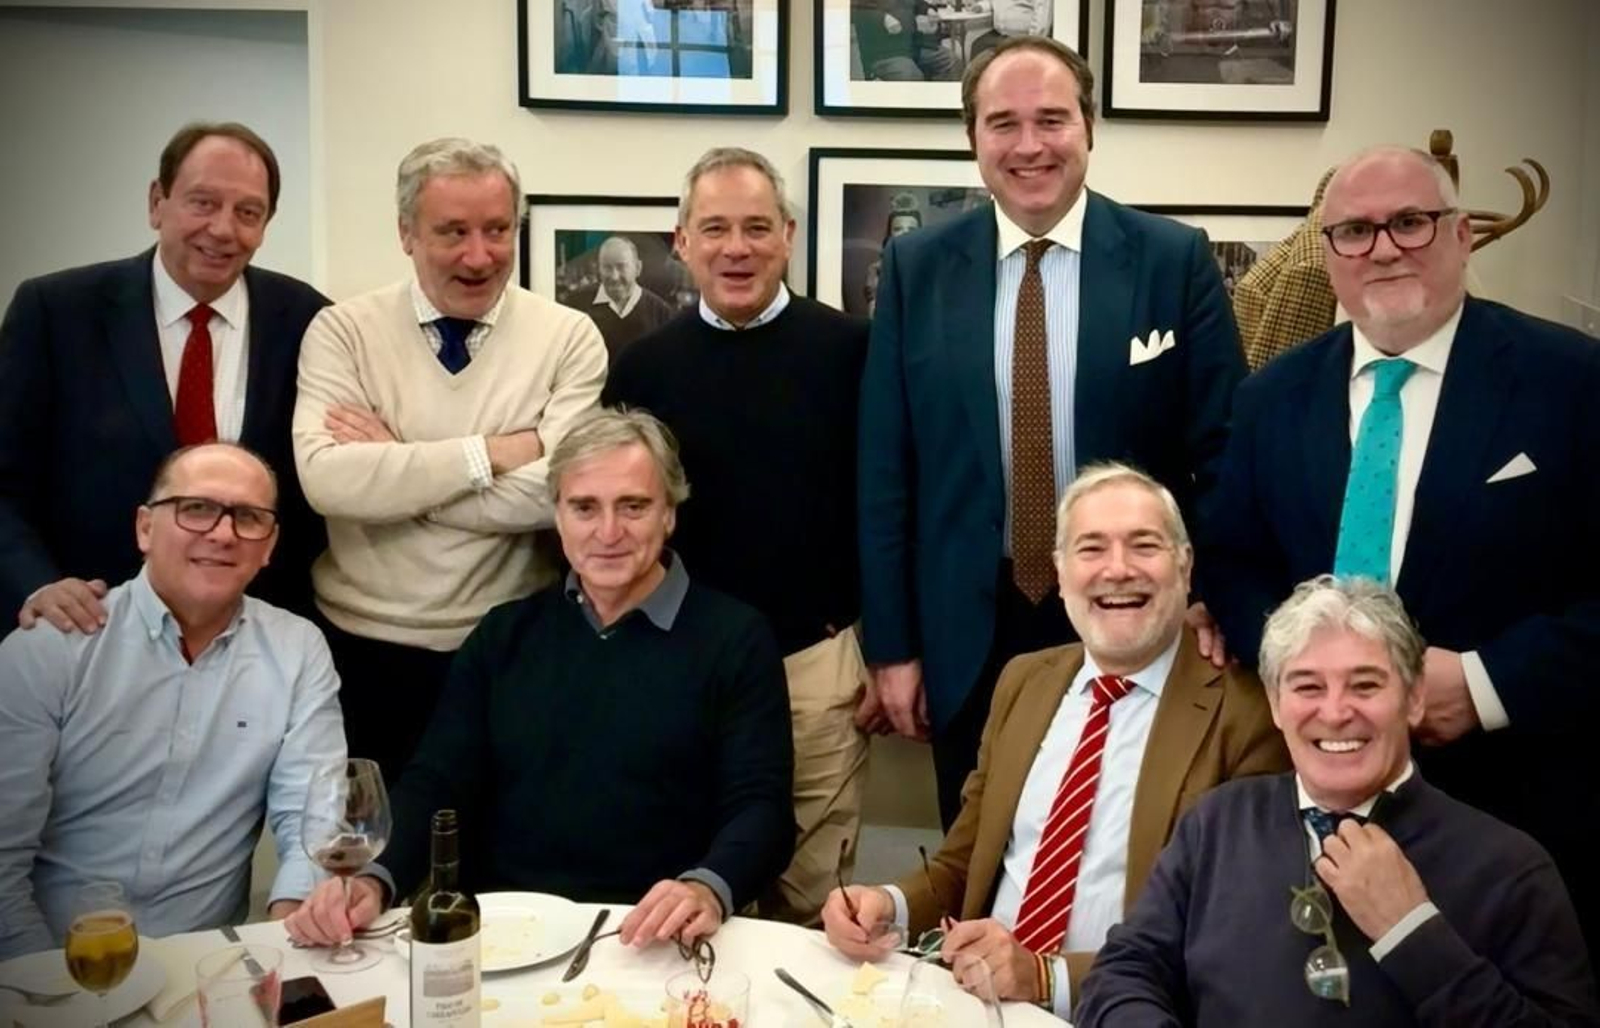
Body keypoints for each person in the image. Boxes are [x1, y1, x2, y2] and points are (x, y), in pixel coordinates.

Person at [1200, 144, 1600, 964]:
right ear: (1328, 255)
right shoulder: (1271, 396)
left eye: (1410, 222)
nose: (1382, 249)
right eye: (1354, 231)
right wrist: (1296, 666)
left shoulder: (1572, 380)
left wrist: (1486, 684)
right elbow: (1231, 560)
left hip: (1514, 796)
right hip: (1314, 788)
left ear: (1461, 234)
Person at [858, 34, 1245, 827]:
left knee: (1133, 842)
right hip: (970, 625)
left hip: (1133, 610)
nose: (1029, 145)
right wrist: (893, 646)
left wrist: (1214, 596)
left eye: (1052, 120)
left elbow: (1226, 454)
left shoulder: (1172, 260)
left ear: (1089, 127)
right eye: (1003, 123)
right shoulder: (916, 269)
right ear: (973, 137)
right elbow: (885, 470)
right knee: (978, 849)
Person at [283, 409, 794, 950]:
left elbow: (761, 808)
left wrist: (706, 887)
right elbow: (437, 782)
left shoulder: (735, 639)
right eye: (584, 507)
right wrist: (374, 879)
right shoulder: (504, 635)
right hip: (506, 933)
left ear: (669, 514)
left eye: (634, 506)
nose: (608, 532)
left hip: (655, 934)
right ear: (557, 515)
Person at [821, 464, 1286, 1018]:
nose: (1118, 569)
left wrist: (1044, 976)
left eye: (1144, 545)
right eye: (1092, 548)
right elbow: (964, 864)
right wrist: (887, 903)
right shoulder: (1024, 682)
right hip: (978, 1001)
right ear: (1061, 574)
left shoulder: (1249, 716)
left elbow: (1226, 941)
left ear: (1185, 568)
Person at [1075, 576, 1599, 1027]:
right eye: (1307, 687)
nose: (1335, 712)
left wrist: (1412, 931)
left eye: (1364, 686)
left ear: (1414, 698)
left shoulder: (1510, 868)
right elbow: (1123, 973)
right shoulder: (1217, 823)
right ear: (1275, 703)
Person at [603, 148, 870, 926]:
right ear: (681, 242)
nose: (737, 248)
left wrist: (887, 647)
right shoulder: (642, 369)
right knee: (696, 894)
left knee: (813, 902)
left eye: (756, 227)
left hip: (814, 663)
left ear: (788, 235)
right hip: (683, 668)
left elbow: (892, 505)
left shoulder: (853, 352)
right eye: (715, 228)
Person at [291, 137, 606, 784]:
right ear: (406, 232)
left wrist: (394, 469)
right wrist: (494, 452)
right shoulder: (342, 332)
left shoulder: (569, 338)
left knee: (506, 841)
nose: (479, 255)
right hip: (362, 654)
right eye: (453, 231)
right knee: (376, 838)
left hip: (513, 647)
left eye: (497, 230)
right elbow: (327, 481)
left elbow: (559, 496)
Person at [0, 443, 345, 959]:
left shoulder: (297, 650)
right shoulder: (54, 646)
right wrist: (44, 983)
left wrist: (293, 932)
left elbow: (312, 817)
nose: (223, 533)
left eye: (248, 517)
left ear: (269, 545)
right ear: (145, 528)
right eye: (197, 508)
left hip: (209, 965)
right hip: (53, 962)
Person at [0, 122, 329, 636]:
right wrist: (37, 585)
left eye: (248, 212)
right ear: (157, 202)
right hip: (91, 627)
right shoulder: (57, 312)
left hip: (256, 638)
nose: (223, 229)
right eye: (203, 203)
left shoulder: (310, 319)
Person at [589, 236, 674, 360]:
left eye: (621, 267)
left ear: (638, 268)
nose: (614, 276)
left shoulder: (661, 313)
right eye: (607, 267)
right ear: (598, 269)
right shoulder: (576, 304)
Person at [852, 0, 957, 81]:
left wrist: (927, 9)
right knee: (911, 74)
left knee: (952, 61)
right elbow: (853, 9)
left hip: (913, 47)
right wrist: (882, 18)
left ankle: (938, 100)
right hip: (886, 53)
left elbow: (916, 2)